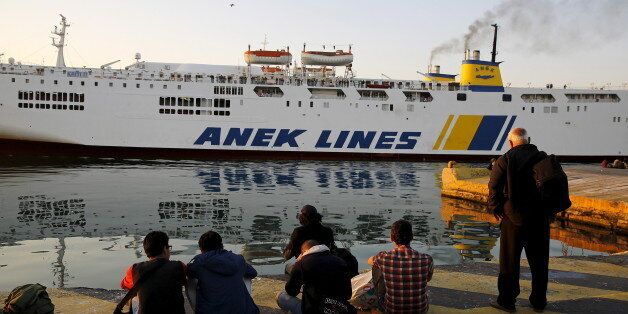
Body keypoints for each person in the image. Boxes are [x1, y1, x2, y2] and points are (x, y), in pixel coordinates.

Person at [488, 128, 550, 312]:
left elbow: (493, 186)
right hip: (539, 219)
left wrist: (494, 208)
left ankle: (507, 301)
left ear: (511, 142)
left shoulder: (505, 159)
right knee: (539, 263)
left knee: (509, 262)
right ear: (528, 140)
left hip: (513, 219)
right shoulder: (543, 157)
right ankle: (539, 301)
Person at [367, 220, 434, 313]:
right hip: (420, 310)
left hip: (392, 310)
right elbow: (428, 279)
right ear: (412, 237)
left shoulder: (383, 258)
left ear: (391, 238)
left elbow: (369, 260)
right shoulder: (427, 259)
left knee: (376, 266)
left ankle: (379, 301)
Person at [187, 231, 259, 314]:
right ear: (221, 245)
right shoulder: (238, 259)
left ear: (201, 249)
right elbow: (253, 273)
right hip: (245, 311)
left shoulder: (199, 262)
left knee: (191, 280)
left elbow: (188, 272)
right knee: (244, 275)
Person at [277, 240, 353, 314]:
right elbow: (348, 294)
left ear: (303, 252)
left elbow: (291, 291)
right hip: (339, 309)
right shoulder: (340, 262)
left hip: (313, 310)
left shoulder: (301, 263)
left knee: (280, 296)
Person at [120, 231, 186, 314]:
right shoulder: (179, 266)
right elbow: (186, 282)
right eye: (169, 247)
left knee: (134, 293)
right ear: (165, 249)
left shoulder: (134, 269)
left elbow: (124, 285)